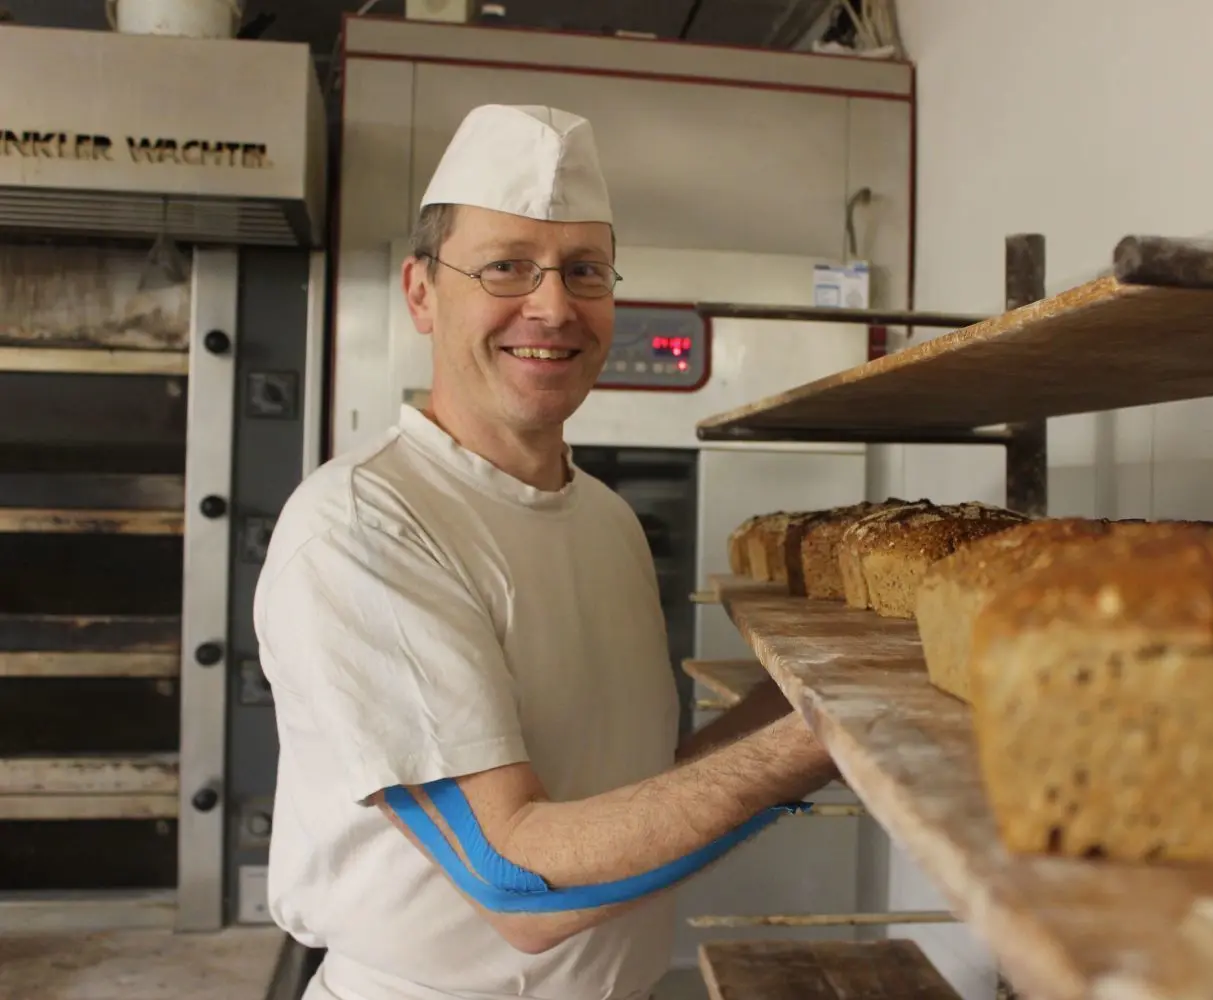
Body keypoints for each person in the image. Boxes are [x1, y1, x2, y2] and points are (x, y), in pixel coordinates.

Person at [253, 104, 839, 1000]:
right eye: (506, 267)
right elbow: (512, 879)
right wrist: (818, 741)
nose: (554, 306)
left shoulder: (606, 521)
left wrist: (833, 695)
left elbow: (643, 796)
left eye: (584, 270)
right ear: (420, 292)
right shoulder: (365, 525)